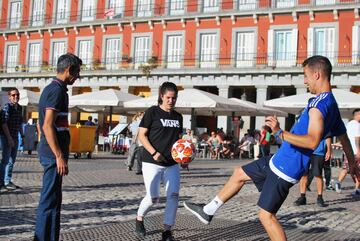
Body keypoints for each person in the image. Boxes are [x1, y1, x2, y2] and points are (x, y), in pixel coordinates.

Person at [183, 55, 360, 241]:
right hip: (279, 160)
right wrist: (353, 162)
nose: (305, 81)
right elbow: (343, 136)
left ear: (317, 74)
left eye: (306, 76)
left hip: (286, 167)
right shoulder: (330, 103)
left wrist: (279, 132)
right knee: (239, 174)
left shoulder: (319, 105)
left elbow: (312, 141)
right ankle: (207, 211)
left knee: (266, 216)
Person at [34, 53, 82, 241]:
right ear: (69, 70)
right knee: (49, 200)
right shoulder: (56, 91)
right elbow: (47, 125)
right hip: (53, 155)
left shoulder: (56, 89)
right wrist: (59, 155)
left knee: (54, 200)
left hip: (52, 153)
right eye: (77, 72)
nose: (78, 77)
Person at [135, 82, 183, 241]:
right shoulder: (152, 112)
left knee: (174, 196)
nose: (171, 101)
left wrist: (184, 157)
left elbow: (178, 140)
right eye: (168, 97)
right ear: (161, 96)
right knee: (153, 197)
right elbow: (142, 135)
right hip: (151, 161)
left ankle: (167, 231)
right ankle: (140, 217)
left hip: (172, 163)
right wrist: (154, 152)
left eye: (174, 98)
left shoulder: (178, 117)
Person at [294, 137, 331, 207]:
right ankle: (302, 197)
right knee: (304, 174)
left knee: (318, 174)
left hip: (318, 152)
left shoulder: (324, 125)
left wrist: (329, 150)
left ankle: (320, 197)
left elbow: (328, 137)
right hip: (305, 150)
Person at [0, 88, 24, 192]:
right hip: (6, 136)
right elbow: (4, 123)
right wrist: (9, 138)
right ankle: (1, 183)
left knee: (12, 160)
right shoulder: (7, 107)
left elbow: (19, 122)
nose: (16, 97)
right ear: (9, 97)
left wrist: (22, 135)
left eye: (17, 95)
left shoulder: (19, 108)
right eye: (13, 95)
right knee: (5, 160)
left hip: (15, 136)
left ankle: (7, 181)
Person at [333, 108, 360, 195]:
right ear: (357, 115)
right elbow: (357, 139)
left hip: (347, 150)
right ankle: (356, 188)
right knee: (357, 170)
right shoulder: (357, 125)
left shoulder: (348, 124)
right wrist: (358, 150)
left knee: (346, 168)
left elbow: (344, 137)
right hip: (355, 151)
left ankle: (339, 183)